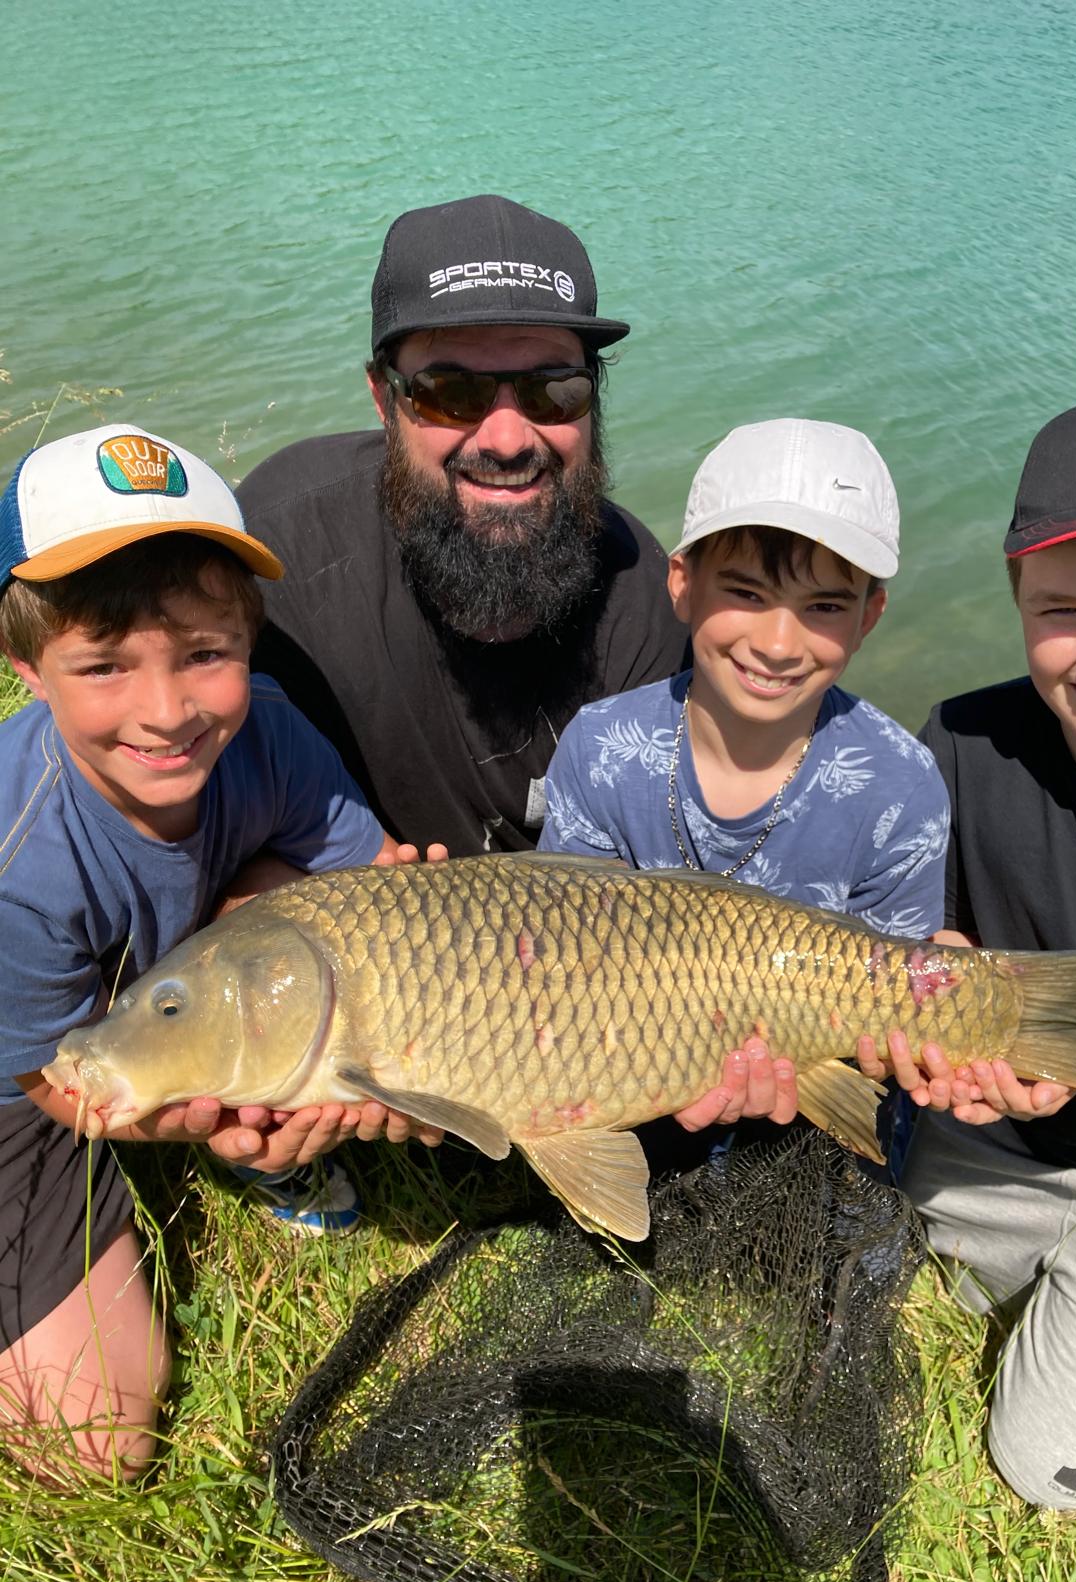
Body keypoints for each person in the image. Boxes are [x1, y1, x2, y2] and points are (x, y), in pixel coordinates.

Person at [0, 424, 423, 1481]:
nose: (167, 712)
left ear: (249, 638)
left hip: (163, 992)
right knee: (96, 1444)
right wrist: (174, 1120)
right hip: (28, 1072)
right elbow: (54, 1081)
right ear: (28, 670)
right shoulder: (18, 863)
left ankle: (259, 1126)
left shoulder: (270, 734)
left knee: (322, 919)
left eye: (204, 654)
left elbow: (376, 895)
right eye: (104, 666)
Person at [861, 380, 1076, 1511]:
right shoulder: (964, 740)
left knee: (1052, 1467)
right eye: (1064, 608)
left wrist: (1067, 1057)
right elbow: (927, 936)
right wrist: (943, 1013)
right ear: (1015, 593)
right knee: (843, 1283)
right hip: (991, 1146)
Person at [538, 417, 951, 1163]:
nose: (777, 644)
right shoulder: (601, 749)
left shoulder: (901, 784)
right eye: (747, 593)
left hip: (814, 1115)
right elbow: (563, 970)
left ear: (870, 616)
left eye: (825, 606)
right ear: (682, 584)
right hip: (629, 1086)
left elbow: (895, 1002)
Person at [237, 194, 688, 858]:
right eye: (451, 392)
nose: (507, 439)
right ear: (383, 399)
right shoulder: (279, 558)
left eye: (554, 388)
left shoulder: (642, 599)